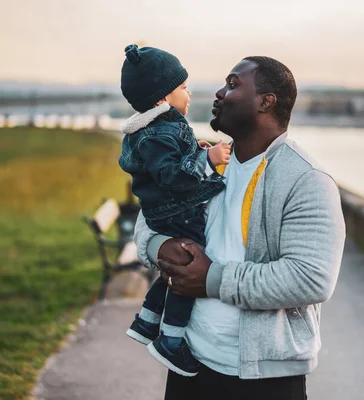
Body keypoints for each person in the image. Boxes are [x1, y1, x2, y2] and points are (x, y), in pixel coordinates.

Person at [134, 56, 346, 400]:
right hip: (189, 365)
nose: (219, 92)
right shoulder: (199, 160)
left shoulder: (306, 180)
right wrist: (158, 246)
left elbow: (311, 278)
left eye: (233, 84)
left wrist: (212, 278)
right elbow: (148, 220)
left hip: (264, 380)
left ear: (266, 101)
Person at [118, 44, 231, 377]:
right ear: (160, 99)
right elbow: (170, 175)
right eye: (182, 87)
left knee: (176, 266)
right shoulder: (162, 130)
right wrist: (206, 161)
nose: (189, 92)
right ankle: (171, 339)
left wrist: (194, 151)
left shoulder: (155, 128)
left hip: (166, 211)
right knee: (189, 266)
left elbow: (168, 162)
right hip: (177, 211)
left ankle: (147, 320)